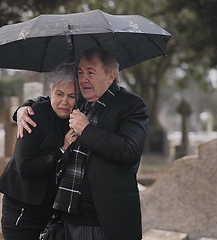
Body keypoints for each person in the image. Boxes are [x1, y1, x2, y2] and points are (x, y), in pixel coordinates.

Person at [15, 47, 149, 240]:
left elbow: (129, 150)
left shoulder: (131, 105)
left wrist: (86, 130)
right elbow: (51, 100)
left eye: (91, 72)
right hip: (67, 216)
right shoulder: (80, 102)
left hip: (103, 219)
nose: (83, 79)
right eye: (80, 72)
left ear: (110, 76)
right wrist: (23, 109)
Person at [0, 63, 78, 240]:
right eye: (59, 94)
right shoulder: (33, 116)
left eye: (71, 96)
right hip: (22, 210)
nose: (64, 101)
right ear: (51, 91)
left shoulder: (76, 117)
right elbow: (24, 167)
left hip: (51, 212)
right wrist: (61, 150)